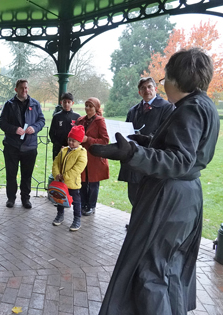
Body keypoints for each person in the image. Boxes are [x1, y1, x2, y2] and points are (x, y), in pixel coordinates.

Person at [90, 48, 219, 315]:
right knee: (168, 268)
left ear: (177, 80)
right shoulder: (204, 105)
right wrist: (146, 142)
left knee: (151, 272)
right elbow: (186, 152)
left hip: (170, 198)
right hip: (186, 197)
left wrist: (131, 153)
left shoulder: (189, 109)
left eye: (164, 80)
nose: (164, 86)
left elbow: (180, 160)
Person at [118, 77, 174, 207]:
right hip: (134, 157)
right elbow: (126, 131)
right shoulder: (133, 110)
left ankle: (147, 226)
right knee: (133, 194)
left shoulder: (167, 108)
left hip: (152, 159)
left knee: (150, 196)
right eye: (143, 88)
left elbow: (165, 132)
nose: (146, 90)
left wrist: (146, 138)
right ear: (139, 92)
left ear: (155, 88)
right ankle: (136, 223)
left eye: (149, 87)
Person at [0, 79, 45, 209]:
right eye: (21, 88)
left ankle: (26, 199)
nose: (24, 90)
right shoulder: (9, 105)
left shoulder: (35, 104)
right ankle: (11, 199)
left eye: (26, 88)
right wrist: (14, 129)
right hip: (11, 146)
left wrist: (34, 128)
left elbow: (41, 120)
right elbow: (2, 123)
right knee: (11, 175)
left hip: (30, 146)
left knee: (27, 175)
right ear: (16, 90)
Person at [74, 97, 109, 216]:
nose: (87, 108)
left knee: (93, 183)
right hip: (82, 155)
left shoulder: (100, 121)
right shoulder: (80, 120)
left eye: (90, 106)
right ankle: (83, 204)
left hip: (95, 157)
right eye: (86, 105)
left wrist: (88, 139)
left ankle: (91, 206)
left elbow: (105, 140)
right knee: (82, 181)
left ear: (96, 108)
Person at [51, 125, 87, 231]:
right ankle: (60, 215)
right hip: (61, 182)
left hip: (72, 183)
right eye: (69, 140)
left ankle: (77, 219)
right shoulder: (64, 150)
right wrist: (56, 174)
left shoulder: (82, 153)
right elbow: (56, 162)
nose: (71, 142)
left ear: (79, 142)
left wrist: (65, 177)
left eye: (74, 141)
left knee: (76, 201)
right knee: (59, 199)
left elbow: (77, 169)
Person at [49, 92, 81, 160]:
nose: (66, 104)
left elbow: (80, 134)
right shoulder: (56, 117)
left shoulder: (77, 117)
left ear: (72, 103)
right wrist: (58, 145)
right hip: (59, 149)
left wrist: (74, 145)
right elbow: (51, 133)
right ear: (61, 102)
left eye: (69, 102)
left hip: (73, 149)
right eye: (64, 102)